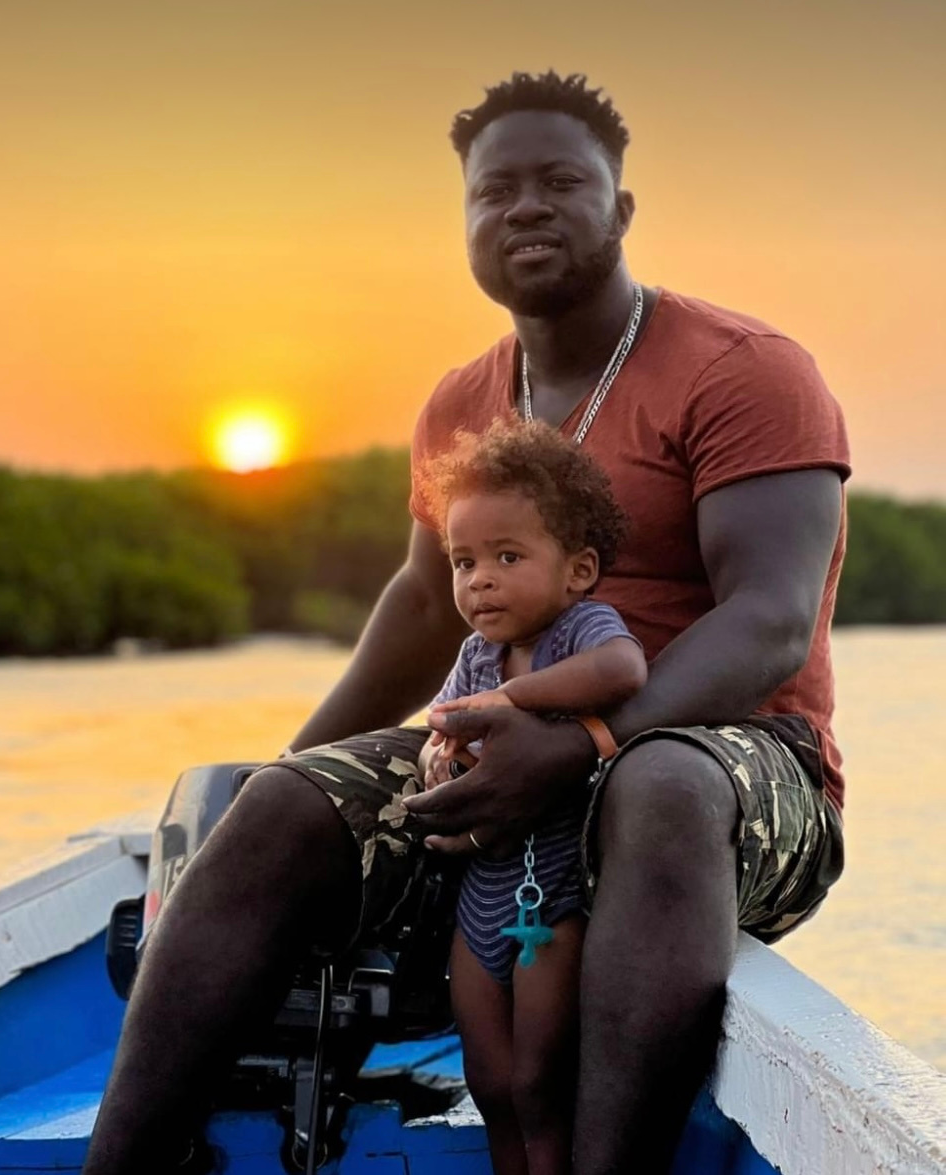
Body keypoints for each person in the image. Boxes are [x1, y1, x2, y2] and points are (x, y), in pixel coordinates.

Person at [83, 71, 849, 1175]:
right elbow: (420, 605)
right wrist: (297, 767)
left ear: (621, 209)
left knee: (660, 781)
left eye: (558, 183)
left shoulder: (744, 371)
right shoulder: (460, 403)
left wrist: (585, 743)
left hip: (735, 767)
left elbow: (771, 622)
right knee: (273, 808)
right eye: (495, 192)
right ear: (466, 223)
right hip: (504, 748)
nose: (524, 208)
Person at [417, 417, 647, 1175]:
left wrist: (512, 701)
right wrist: (434, 753)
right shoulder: (473, 652)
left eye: (506, 557)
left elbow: (623, 673)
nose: (478, 579)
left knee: (536, 1081)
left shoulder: (583, 628)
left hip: (547, 903)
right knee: (488, 1082)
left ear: (576, 569)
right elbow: (446, 721)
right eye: (462, 561)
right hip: (479, 897)